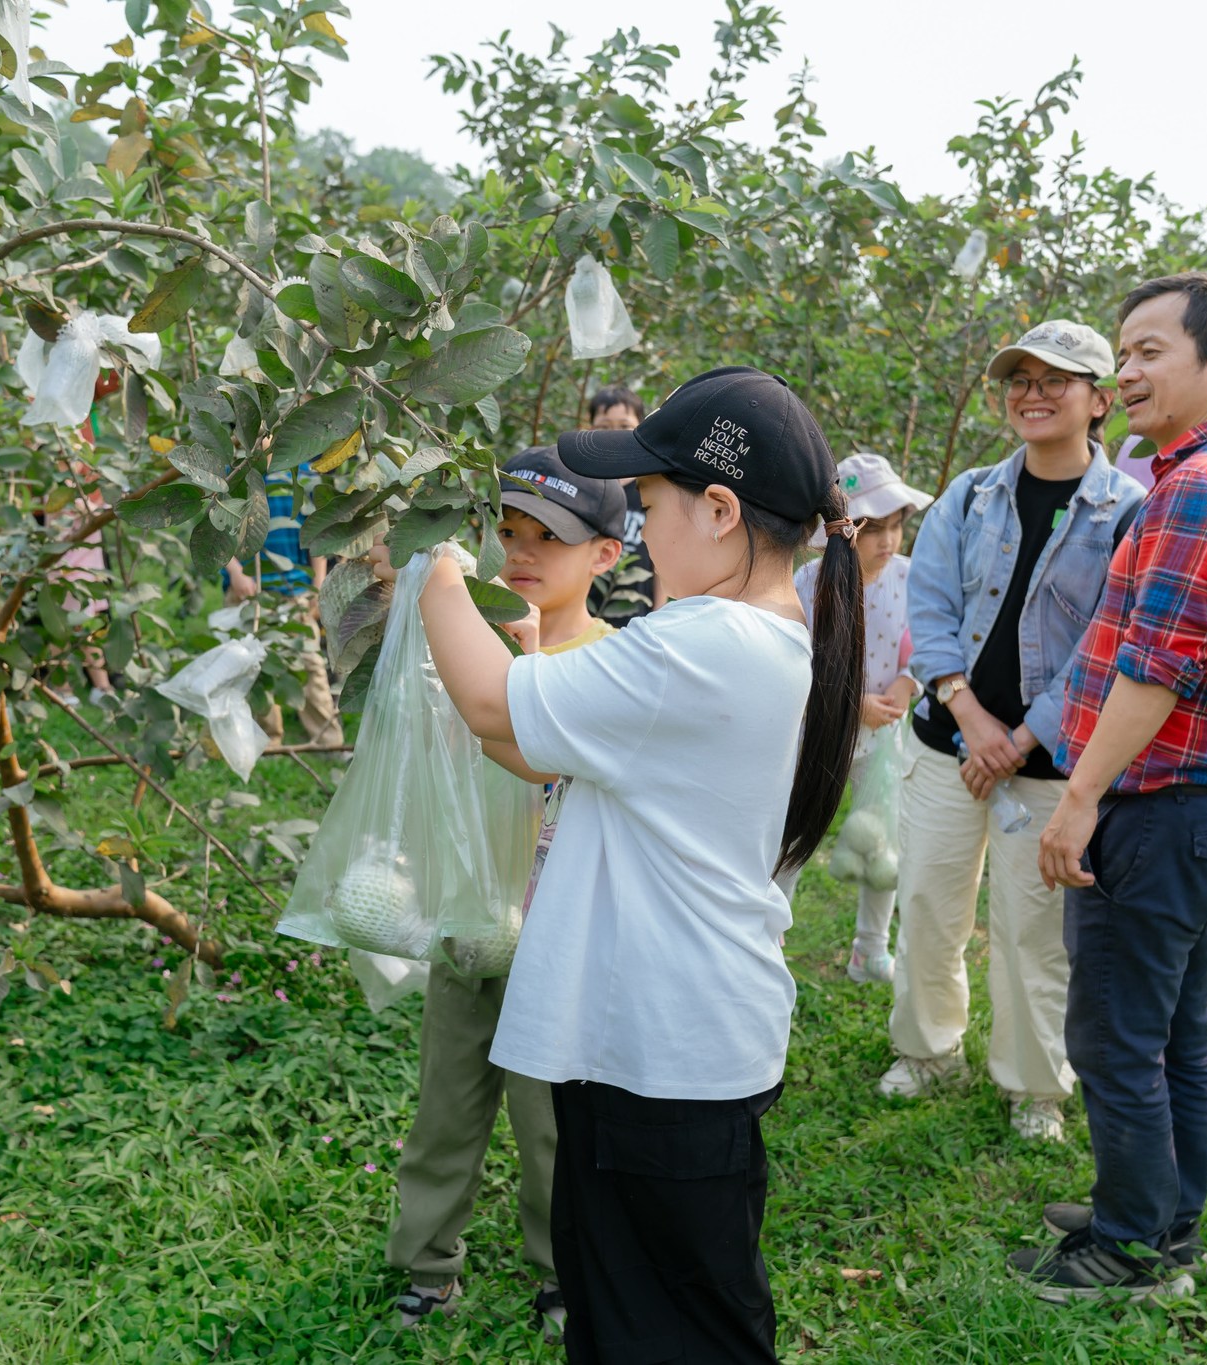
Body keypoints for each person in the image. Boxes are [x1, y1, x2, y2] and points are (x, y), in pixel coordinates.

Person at [370, 366, 863, 1363]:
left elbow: (488, 708)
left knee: (676, 1331)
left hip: (660, 1056)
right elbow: (527, 744)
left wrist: (432, 576)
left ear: (718, 511)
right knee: (638, 1311)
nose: (635, 534)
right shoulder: (755, 640)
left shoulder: (706, 644)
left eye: (645, 508)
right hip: (656, 1046)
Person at [1015, 273, 1207, 1302]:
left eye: (1148, 352)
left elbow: (1154, 663)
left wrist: (1079, 796)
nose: (1125, 371)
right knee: (1173, 1030)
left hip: (1164, 809)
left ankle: (1132, 1251)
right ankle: (1158, 1214)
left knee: (1113, 1037)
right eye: (1121, 353)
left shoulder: (1195, 488)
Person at [886, 321, 1146, 1144]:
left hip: (1052, 765)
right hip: (946, 746)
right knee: (929, 901)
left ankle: (1036, 1083)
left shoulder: (1128, 512)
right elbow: (930, 611)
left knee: (1034, 929)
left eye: (1056, 380)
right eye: (1020, 379)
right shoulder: (970, 494)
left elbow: (1110, 640)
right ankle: (928, 1050)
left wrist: (1022, 740)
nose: (1033, 394)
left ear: (1100, 400)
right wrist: (967, 715)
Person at [387, 448, 626, 1337]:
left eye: (550, 540)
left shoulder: (615, 664)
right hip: (470, 924)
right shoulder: (469, 651)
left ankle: (563, 1272)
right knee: (446, 1106)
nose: (522, 554)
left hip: (559, 942)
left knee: (552, 1128)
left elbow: (554, 761)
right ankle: (426, 1262)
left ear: (606, 555)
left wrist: (528, 663)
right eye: (508, 533)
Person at [785, 453, 931, 983]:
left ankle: (870, 949)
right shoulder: (809, 582)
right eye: (873, 529)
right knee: (793, 834)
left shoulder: (910, 579)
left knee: (883, 845)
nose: (887, 541)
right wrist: (850, 703)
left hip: (884, 737)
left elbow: (925, 640)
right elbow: (796, 655)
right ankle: (768, 933)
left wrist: (903, 684)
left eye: (896, 526)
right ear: (842, 531)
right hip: (819, 733)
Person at [222, 467, 342, 747]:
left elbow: (318, 534)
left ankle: (329, 741)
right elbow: (216, 529)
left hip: (295, 588)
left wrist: (318, 583)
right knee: (254, 667)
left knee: (310, 665)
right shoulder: (233, 474)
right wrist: (236, 573)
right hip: (249, 593)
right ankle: (268, 741)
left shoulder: (303, 475)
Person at [582, 384, 668, 625]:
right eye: (604, 427)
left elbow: (660, 554)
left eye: (624, 426)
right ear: (590, 429)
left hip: (636, 615)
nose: (613, 434)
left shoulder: (651, 486)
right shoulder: (584, 484)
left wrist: (659, 610)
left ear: (640, 428)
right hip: (584, 611)